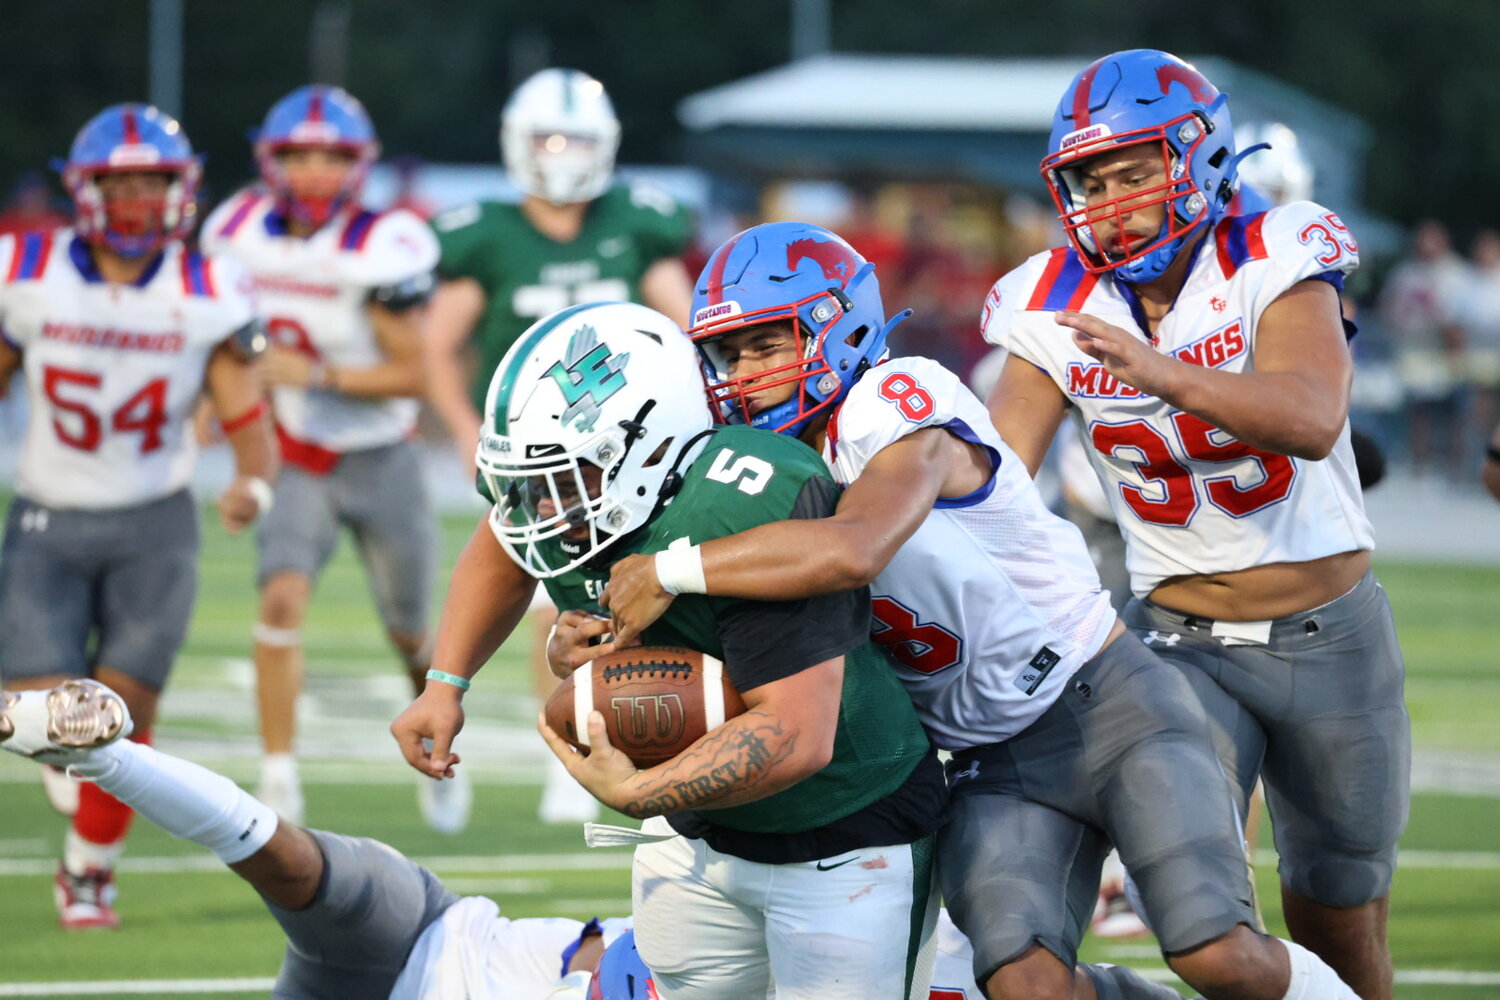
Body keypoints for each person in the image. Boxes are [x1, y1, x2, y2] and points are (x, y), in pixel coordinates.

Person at [599, 222, 1360, 1000]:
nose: (744, 378)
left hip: (1110, 704)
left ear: (842, 327)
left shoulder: (895, 402)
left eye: (767, 347)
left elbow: (855, 546)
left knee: (1219, 956)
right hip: (987, 764)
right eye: (729, 356)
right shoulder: (759, 470)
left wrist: (672, 568)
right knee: (1025, 987)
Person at [981, 49, 1409, 1000]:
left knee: (1337, 910)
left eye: (1135, 172)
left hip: (1331, 632)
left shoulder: (1276, 249)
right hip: (1178, 643)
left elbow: (1308, 417)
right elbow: (994, 483)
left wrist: (1162, 373)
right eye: (1090, 180)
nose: (1110, 200)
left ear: (1201, 159)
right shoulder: (1050, 301)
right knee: (1205, 917)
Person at [393, 301, 945, 999]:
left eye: (562, 480)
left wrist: (635, 791)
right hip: (696, 837)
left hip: (846, 834)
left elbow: (796, 736)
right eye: (532, 487)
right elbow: (500, 543)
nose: (541, 511)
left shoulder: (744, 498)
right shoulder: (573, 504)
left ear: (648, 445)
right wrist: (446, 683)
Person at [0, 104, 274, 928]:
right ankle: (72, 792)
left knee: (116, 719)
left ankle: (89, 871)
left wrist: (252, 485)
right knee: (44, 710)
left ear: (182, 192)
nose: (135, 201)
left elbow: (245, 415)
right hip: (48, 517)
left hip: (155, 525)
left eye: (151, 182)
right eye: (118, 183)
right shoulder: (27, 269)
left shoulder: (208, 286)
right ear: (83, 190)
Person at [423, 67, 694, 824]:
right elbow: (438, 343)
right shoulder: (487, 235)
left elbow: (689, 327)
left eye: (576, 139)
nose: (562, 154)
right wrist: (464, 429)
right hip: (540, 463)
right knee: (551, 599)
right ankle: (574, 731)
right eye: (548, 138)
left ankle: (628, 727)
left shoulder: (637, 224)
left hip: (630, 452)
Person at [0, 679, 635, 999]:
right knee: (294, 867)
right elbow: (600, 958)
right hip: (429, 932)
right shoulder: (690, 946)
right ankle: (98, 754)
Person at [200, 85, 458, 833]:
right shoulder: (234, 229)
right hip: (296, 454)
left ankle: (436, 738)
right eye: (299, 156)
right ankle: (278, 775)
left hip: (381, 453)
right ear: (269, 160)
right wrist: (208, 412)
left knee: (413, 632)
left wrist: (319, 374)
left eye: (332, 157)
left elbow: (419, 372)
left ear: (360, 165)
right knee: (280, 599)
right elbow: (217, 339)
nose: (315, 171)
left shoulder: (385, 244)